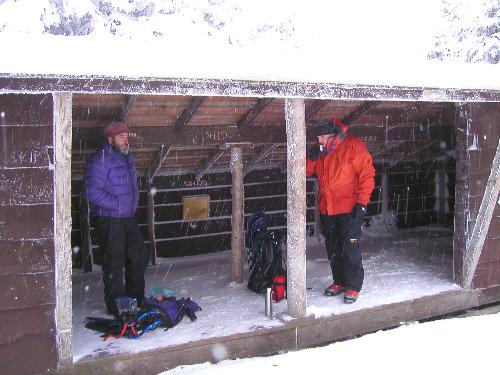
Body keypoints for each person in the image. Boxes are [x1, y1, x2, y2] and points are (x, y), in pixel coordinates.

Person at [307, 118, 375, 303]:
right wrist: (310, 158)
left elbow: (367, 175)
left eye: (321, 137)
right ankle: (339, 281)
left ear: (331, 135)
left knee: (350, 247)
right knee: (333, 248)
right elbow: (304, 171)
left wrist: (362, 203)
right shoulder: (320, 151)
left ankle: (353, 286)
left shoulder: (353, 146)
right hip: (327, 209)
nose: (318, 141)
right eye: (318, 137)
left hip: (349, 208)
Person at [84, 121, 149, 317]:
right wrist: (118, 205)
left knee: (139, 255)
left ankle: (135, 298)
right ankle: (117, 306)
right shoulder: (100, 159)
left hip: (126, 217)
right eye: (121, 137)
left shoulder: (126, 158)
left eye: (126, 136)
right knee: (114, 262)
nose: (125, 140)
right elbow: (91, 191)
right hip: (109, 219)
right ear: (110, 139)